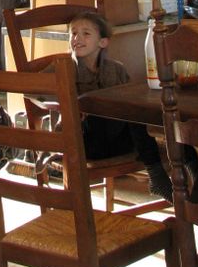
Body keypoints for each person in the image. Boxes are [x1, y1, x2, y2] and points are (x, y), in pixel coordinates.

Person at [69, 12, 173, 203]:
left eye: (86, 33)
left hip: (119, 141)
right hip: (86, 143)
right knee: (101, 106)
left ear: (103, 42)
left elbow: (130, 100)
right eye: (73, 33)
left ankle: (165, 172)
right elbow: (37, 89)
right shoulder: (65, 69)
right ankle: (156, 172)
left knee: (135, 110)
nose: (77, 38)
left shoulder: (116, 69)